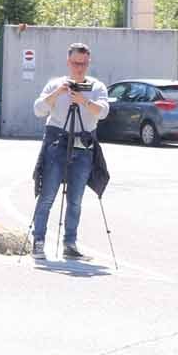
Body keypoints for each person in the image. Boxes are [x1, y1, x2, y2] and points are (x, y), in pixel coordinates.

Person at [31, 43, 110, 261]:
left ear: (88, 63)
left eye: (83, 64)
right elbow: (38, 109)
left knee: (75, 200)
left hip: (83, 147)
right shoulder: (55, 84)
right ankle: (38, 241)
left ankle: (70, 243)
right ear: (68, 62)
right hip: (57, 143)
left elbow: (103, 112)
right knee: (47, 195)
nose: (79, 68)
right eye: (75, 63)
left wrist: (83, 101)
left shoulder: (96, 87)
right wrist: (58, 93)